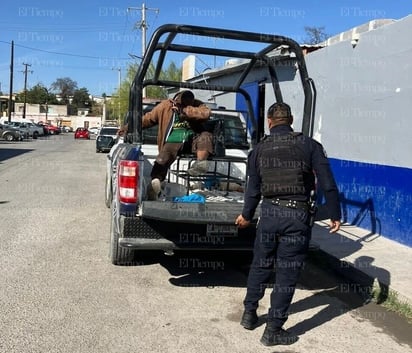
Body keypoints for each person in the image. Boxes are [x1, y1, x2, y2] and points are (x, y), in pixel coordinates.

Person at [235, 102, 341, 346]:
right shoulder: (309, 145)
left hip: (269, 215)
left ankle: (249, 314)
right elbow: (327, 182)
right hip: (296, 217)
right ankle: (273, 330)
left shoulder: (259, 149)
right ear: (291, 119)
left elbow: (252, 188)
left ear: (270, 121)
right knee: (286, 273)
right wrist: (335, 213)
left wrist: (247, 215)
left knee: (260, 265)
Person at [142, 90, 213, 200]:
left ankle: (201, 164)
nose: (186, 103)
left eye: (189, 102)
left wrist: (184, 111)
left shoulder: (197, 104)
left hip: (193, 139)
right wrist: (127, 128)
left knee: (206, 136)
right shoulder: (165, 106)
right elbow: (148, 119)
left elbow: (206, 113)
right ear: (175, 101)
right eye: (182, 102)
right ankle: (155, 184)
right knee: (163, 157)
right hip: (174, 139)